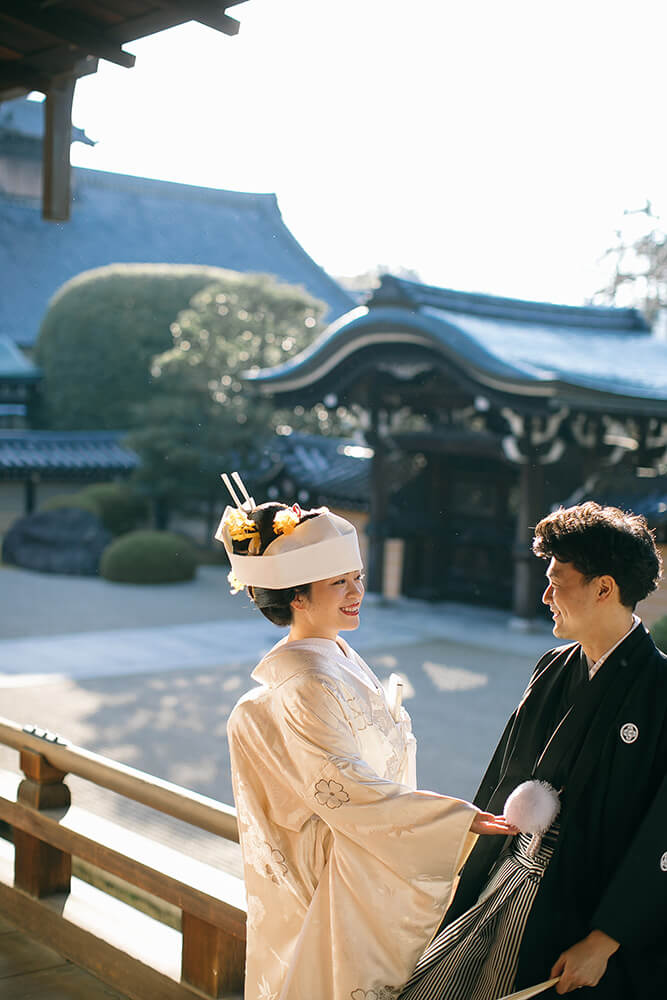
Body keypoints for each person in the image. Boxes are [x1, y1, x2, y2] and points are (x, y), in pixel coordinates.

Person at [215, 474, 514, 1000]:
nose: (358, 594)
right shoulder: (306, 679)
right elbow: (344, 788)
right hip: (346, 881)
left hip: (369, 865)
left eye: (357, 578)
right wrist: (454, 822)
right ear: (299, 598)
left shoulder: (335, 657)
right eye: (339, 584)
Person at [400, 501, 666, 1000]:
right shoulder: (553, 667)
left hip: (586, 911)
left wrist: (606, 940)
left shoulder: (662, 693)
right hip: (507, 876)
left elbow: (663, 834)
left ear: (604, 588)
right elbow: (504, 775)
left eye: (557, 581)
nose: (544, 595)